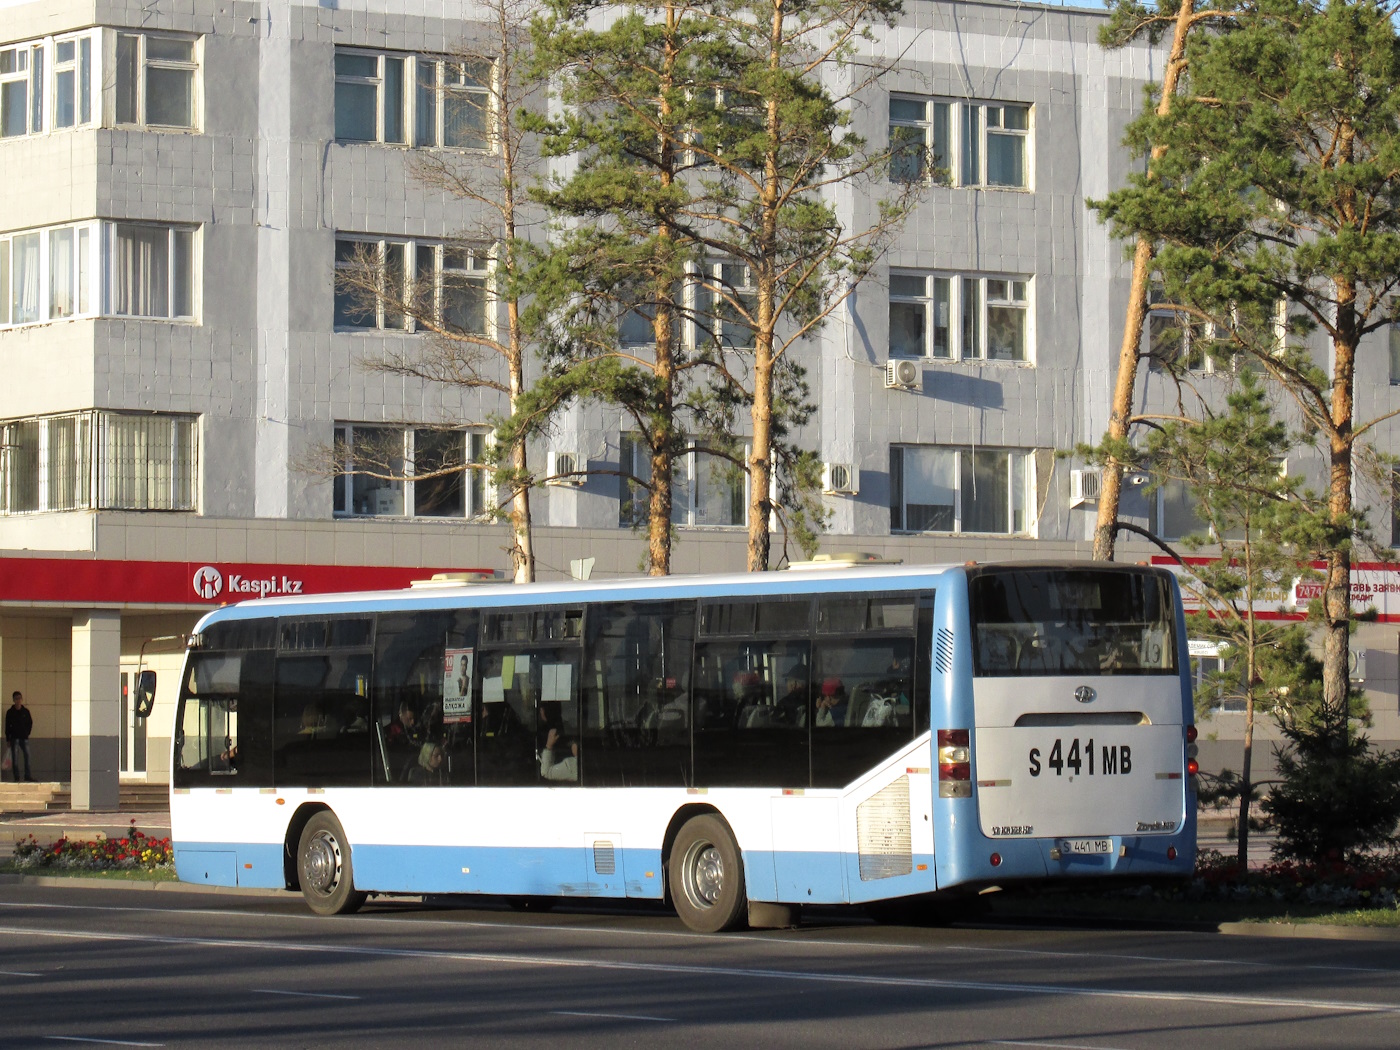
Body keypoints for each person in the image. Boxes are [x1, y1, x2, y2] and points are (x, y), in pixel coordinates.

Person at [5, 691, 34, 782]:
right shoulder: (10, 712)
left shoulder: (25, 711)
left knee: (27, 757)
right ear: (13, 700)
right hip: (14, 738)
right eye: (16, 699)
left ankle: (27, 776)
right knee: (15, 759)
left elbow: (30, 723)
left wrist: (27, 733)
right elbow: (7, 726)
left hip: (24, 737)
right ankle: (16, 777)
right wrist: (8, 739)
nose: (18, 700)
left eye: (20, 698)